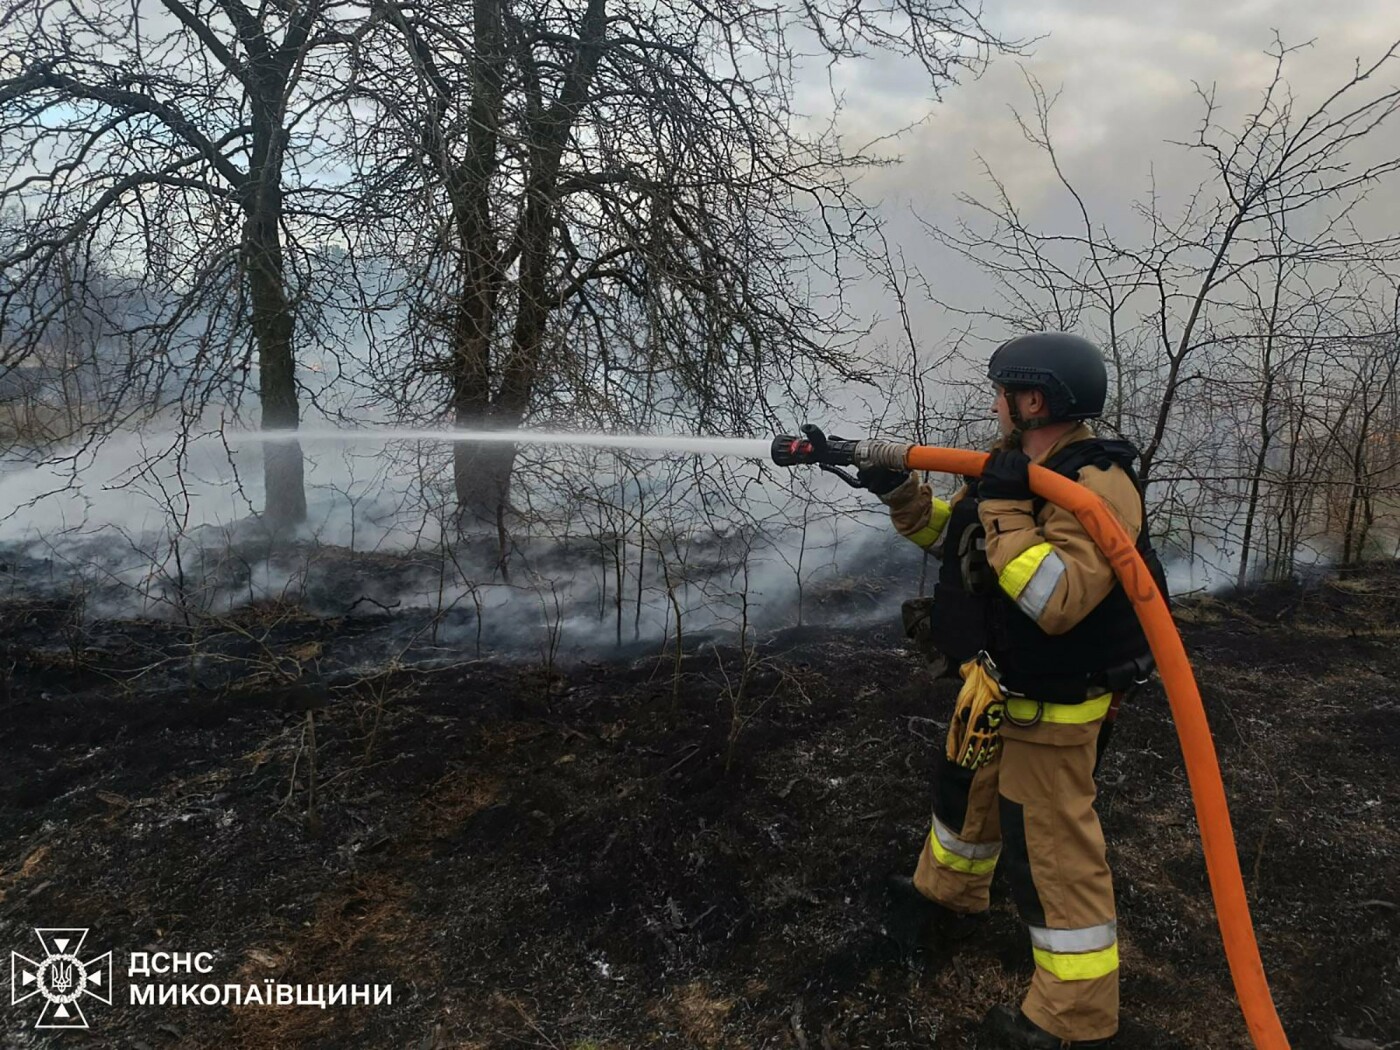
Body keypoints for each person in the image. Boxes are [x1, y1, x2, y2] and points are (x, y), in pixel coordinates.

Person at [859, 332, 1165, 1049]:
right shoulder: (1019, 467)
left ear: (1035, 399)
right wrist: (898, 490)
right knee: (964, 800)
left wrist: (1004, 505)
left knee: (1054, 852)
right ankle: (947, 900)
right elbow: (959, 536)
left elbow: (1056, 596)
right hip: (997, 682)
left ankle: (1074, 1020)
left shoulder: (1095, 483)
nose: (993, 402)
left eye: (1003, 391)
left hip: (1056, 704)